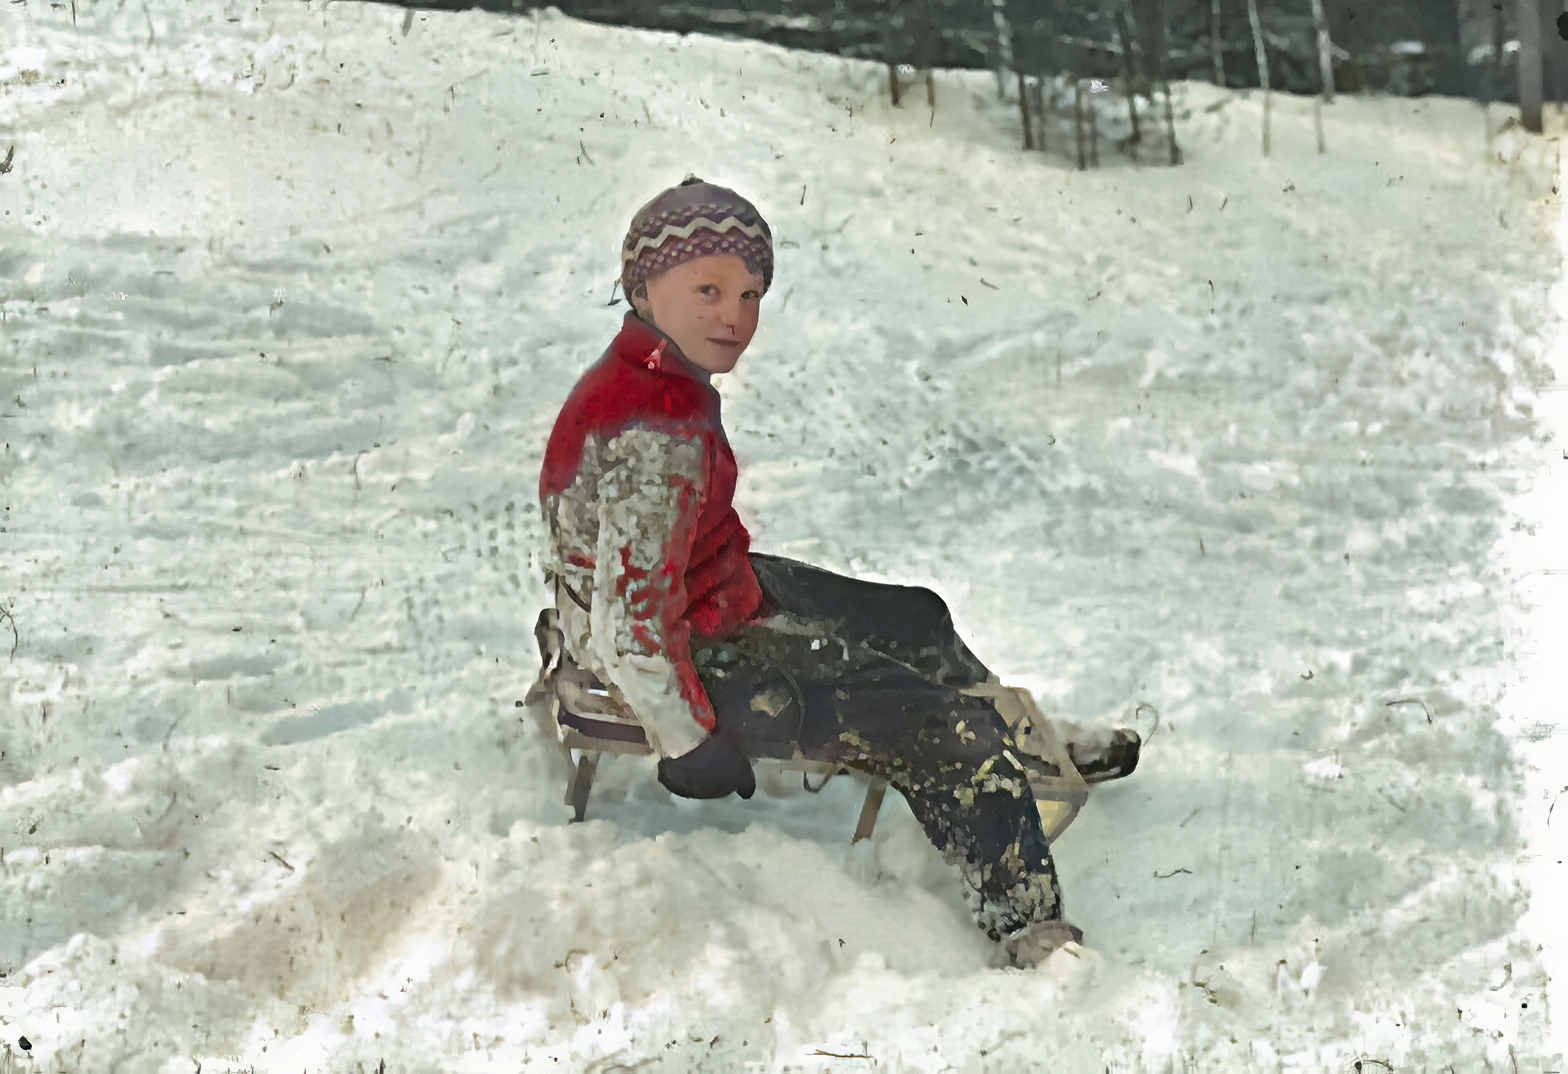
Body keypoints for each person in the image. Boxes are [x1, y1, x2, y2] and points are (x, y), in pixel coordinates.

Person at [536, 175, 1139, 968]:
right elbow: (632, 624)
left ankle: (1029, 744)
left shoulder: (654, 379)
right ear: (642, 286)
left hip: (713, 592)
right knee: (942, 733)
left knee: (914, 617)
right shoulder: (657, 431)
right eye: (708, 289)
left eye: (750, 293)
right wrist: (687, 741)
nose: (734, 316)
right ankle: (1029, 927)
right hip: (685, 655)